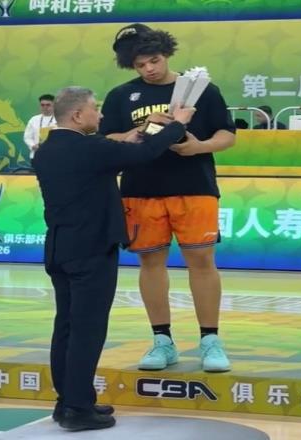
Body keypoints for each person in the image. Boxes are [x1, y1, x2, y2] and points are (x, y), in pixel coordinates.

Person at [32, 86, 193, 431]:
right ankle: (78, 408)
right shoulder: (91, 149)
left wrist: (147, 127)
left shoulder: (46, 150)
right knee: (87, 330)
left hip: (60, 247)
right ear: (78, 115)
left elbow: (122, 148)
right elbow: (144, 154)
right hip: (91, 250)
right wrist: (178, 124)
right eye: (95, 108)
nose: (101, 114)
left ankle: (67, 401)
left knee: (66, 327)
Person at [100, 23, 236, 373]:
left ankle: (210, 341)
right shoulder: (121, 96)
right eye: (140, 65)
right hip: (140, 189)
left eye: (154, 61)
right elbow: (107, 138)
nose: (149, 69)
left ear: (167, 54)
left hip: (195, 186)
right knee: (150, 263)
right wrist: (140, 129)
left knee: (202, 261)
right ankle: (162, 341)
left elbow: (228, 134)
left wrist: (200, 147)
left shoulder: (201, 89)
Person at [23, 94, 57, 159]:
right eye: (42, 105)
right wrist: (33, 145)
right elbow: (27, 137)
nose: (45, 107)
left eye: (48, 105)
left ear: (54, 105)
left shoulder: (60, 120)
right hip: (37, 155)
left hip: (55, 156)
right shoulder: (34, 119)